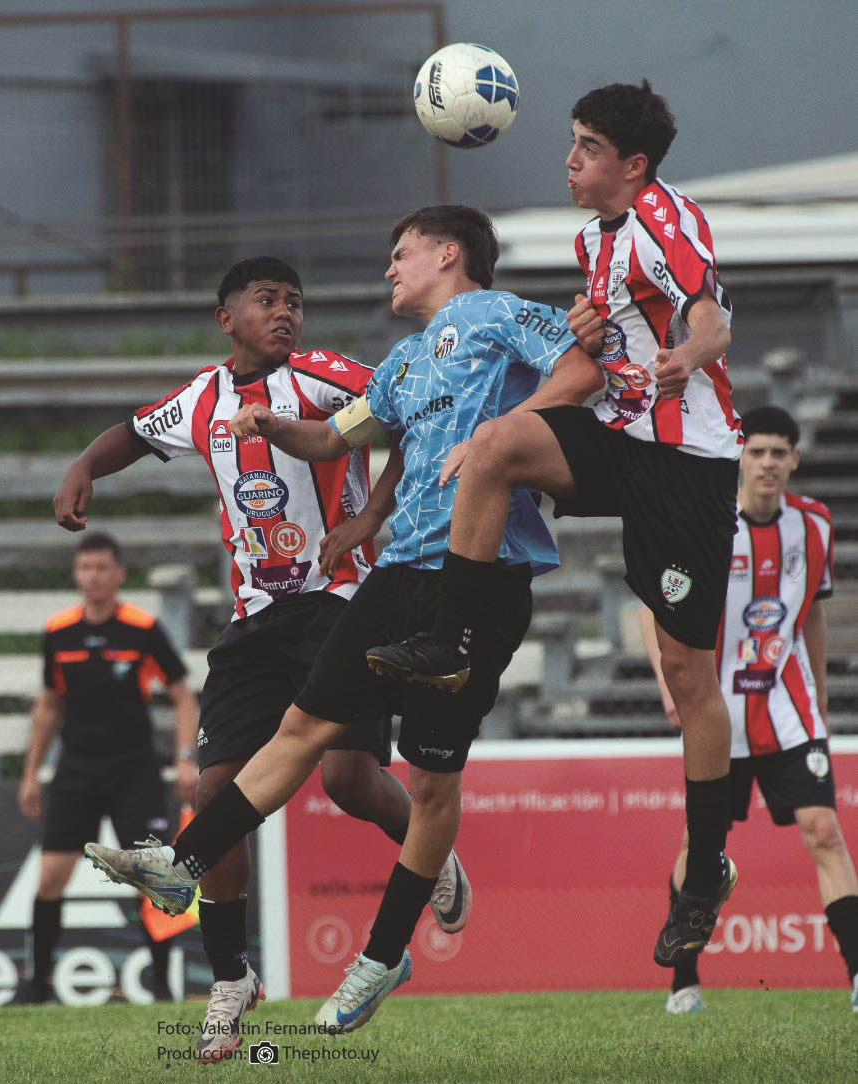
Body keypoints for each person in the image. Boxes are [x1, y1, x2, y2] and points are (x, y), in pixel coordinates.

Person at [81, 206, 603, 1033]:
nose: (388, 271)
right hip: (394, 577)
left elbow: (581, 370)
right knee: (297, 731)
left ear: (446, 252)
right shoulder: (397, 367)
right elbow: (332, 441)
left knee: (426, 781)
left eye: (399, 255)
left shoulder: (498, 314)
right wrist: (280, 432)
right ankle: (180, 867)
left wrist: (504, 434)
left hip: (481, 579)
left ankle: (382, 953)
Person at [53, 256, 466, 1061]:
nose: (285, 313)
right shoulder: (202, 398)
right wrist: (81, 466)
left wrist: (369, 516)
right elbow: (131, 434)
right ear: (225, 317)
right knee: (215, 786)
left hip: (340, 604)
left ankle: (431, 852)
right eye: (267, 299)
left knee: (346, 781)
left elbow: (414, 417)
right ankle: (230, 975)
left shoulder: (323, 377)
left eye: (294, 302)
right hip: (253, 619)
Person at [373, 81, 744, 970]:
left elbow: (709, 316)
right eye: (571, 143)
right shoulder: (592, 239)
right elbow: (610, 331)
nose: (570, 160)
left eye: (585, 147)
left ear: (633, 165)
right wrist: (591, 327)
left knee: (687, 675)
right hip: (618, 439)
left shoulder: (667, 217)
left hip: (687, 461)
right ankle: (450, 639)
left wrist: (686, 356)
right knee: (494, 445)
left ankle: (702, 877)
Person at [640, 406, 858, 1014]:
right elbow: (654, 604)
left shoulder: (815, 524)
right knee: (699, 845)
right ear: (740, 455)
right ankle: (683, 981)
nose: (767, 463)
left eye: (777, 452)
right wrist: (669, 682)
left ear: (794, 458)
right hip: (717, 709)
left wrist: (817, 691)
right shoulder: (708, 522)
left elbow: (812, 608)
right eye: (756, 451)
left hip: (789, 709)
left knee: (825, 831)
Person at [16, 531, 199, 1003]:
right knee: (51, 876)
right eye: (85, 568)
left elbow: (183, 695)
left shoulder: (141, 627)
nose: (93, 577)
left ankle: (162, 987)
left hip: (133, 771)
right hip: (75, 770)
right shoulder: (58, 630)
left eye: (102, 568)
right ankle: (37, 988)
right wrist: (31, 771)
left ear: (119, 575)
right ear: (76, 574)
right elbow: (50, 703)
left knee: (151, 877)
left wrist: (185, 759)